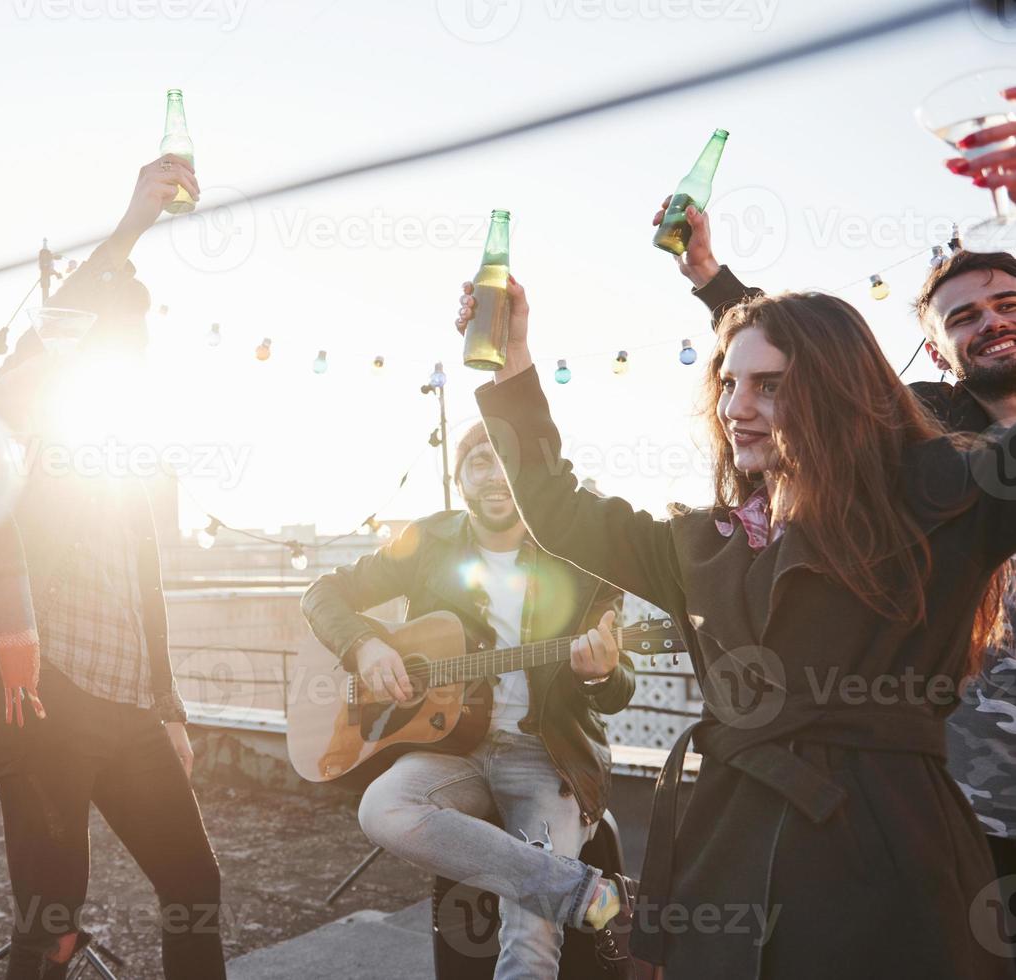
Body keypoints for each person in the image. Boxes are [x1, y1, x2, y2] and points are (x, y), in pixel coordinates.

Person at [454, 270, 1013, 977]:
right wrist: (511, 359)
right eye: (727, 382)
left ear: (839, 394)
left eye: (770, 386)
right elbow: (556, 505)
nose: (735, 408)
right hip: (724, 849)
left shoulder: (940, 495)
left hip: (892, 850)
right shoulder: (699, 542)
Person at [654, 196, 1016, 889]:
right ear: (936, 349)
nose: (991, 322)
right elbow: (814, 366)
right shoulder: (928, 439)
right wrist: (713, 282)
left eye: (1006, 303)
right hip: (972, 784)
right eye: (962, 316)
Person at [0, 153, 226, 980]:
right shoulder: (18, 423)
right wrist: (130, 226)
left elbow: (142, 587)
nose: (129, 345)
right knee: (50, 918)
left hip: (128, 708)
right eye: (118, 331)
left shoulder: (128, 445)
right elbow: (60, 323)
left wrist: (170, 707)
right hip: (45, 697)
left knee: (194, 884)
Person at [301, 421, 634, 978]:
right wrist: (363, 646)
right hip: (453, 749)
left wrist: (599, 674)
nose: (496, 474)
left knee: (531, 937)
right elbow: (321, 594)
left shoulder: (581, 556)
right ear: (459, 478)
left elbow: (620, 687)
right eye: (480, 461)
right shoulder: (427, 540)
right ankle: (587, 895)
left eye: (508, 459)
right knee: (382, 807)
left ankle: (562, 892)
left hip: (547, 755)